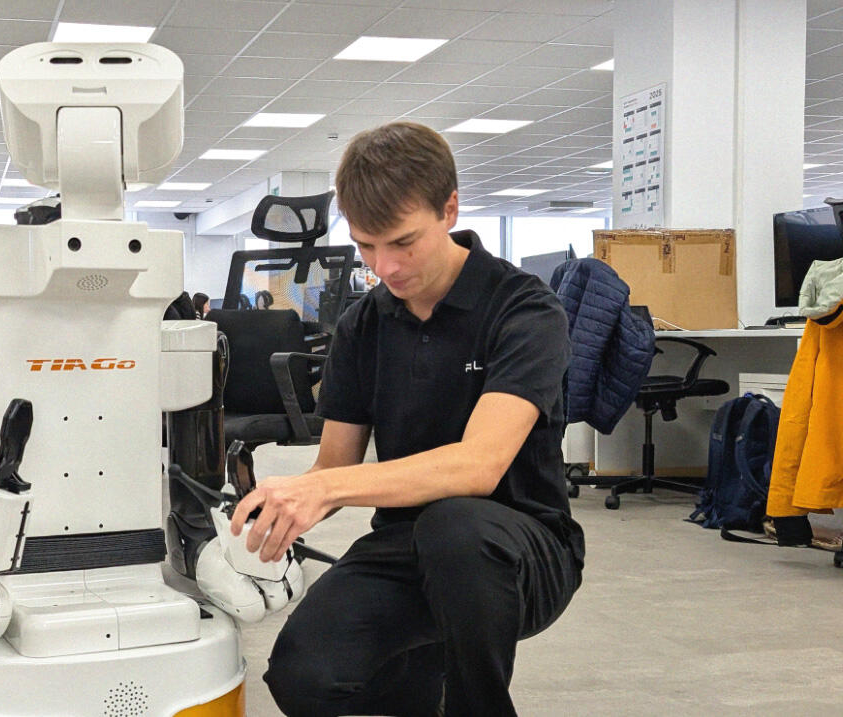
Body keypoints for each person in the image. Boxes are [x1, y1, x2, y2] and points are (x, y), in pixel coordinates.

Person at [230, 121, 584, 716]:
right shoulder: (363, 324)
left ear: (449, 209)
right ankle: (427, 691)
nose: (385, 268)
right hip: (405, 547)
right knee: (301, 676)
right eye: (367, 246)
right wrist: (275, 507)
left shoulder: (523, 308)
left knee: (456, 528)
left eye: (402, 242)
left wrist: (325, 486)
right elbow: (335, 465)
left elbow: (479, 466)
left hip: (520, 550)